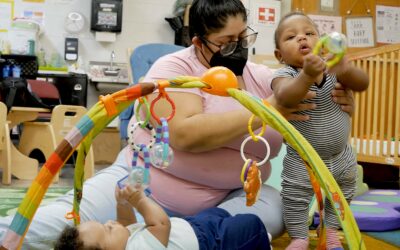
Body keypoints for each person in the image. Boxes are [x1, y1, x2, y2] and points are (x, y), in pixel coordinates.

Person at [0, 1, 355, 249]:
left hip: (226, 199)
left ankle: (186, 239)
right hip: (141, 190)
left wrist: (333, 97)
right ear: (198, 42)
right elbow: (185, 135)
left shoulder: (262, 77)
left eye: (243, 38)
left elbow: (298, 97)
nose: (238, 47)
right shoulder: (173, 71)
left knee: (274, 210)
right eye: (226, 42)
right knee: (46, 228)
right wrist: (267, 109)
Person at [270, 12, 369, 250]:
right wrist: (306, 75)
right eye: (291, 37)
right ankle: (299, 237)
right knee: (295, 198)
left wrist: (345, 68)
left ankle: (331, 231)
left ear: (321, 41)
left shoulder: (334, 70)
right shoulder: (285, 75)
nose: (302, 39)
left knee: (341, 195)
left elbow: (362, 83)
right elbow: (284, 96)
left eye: (309, 33)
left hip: (341, 156)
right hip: (302, 159)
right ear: (279, 55)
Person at [54, 185, 271, 250]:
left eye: (105, 223)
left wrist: (122, 203)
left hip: (192, 226)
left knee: (215, 214)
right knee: (250, 225)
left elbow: (126, 223)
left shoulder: (124, 240)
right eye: (107, 230)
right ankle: (261, 242)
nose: (110, 223)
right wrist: (138, 200)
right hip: (207, 244)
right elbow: (161, 223)